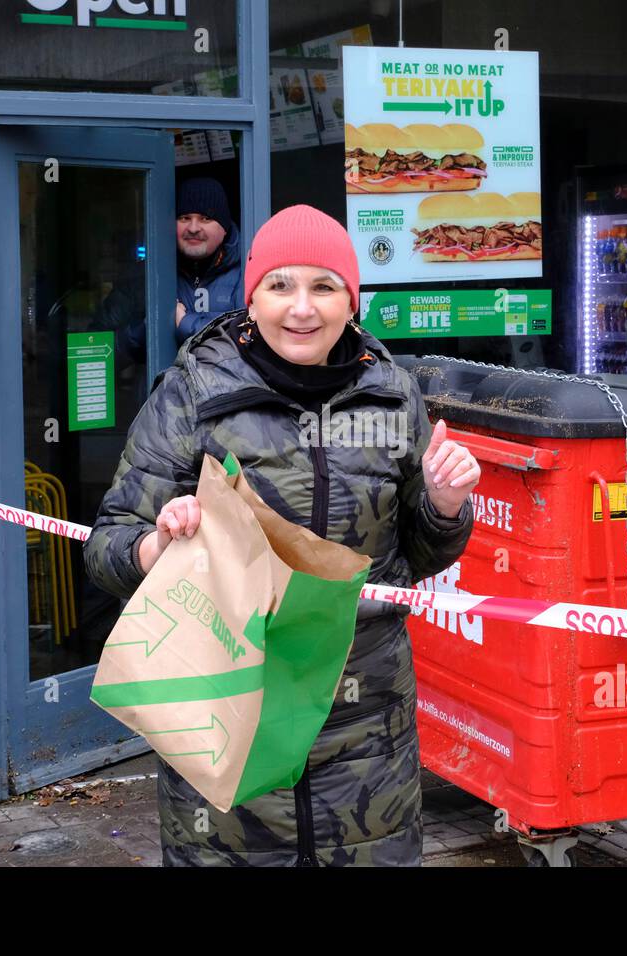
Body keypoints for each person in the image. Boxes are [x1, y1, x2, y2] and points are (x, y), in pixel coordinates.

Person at [83, 204, 479, 867]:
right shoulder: (194, 390)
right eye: (281, 286)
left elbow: (420, 555)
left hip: (364, 734)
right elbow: (107, 548)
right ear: (253, 295)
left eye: (324, 287)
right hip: (228, 710)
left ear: (351, 299)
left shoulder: (392, 395)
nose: (302, 308)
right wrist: (159, 544)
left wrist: (444, 504)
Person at [174, 177, 245, 345]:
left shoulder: (248, 270)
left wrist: (185, 323)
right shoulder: (153, 271)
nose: (193, 228)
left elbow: (247, 335)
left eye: (205, 218)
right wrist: (150, 324)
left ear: (224, 228)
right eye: (184, 218)